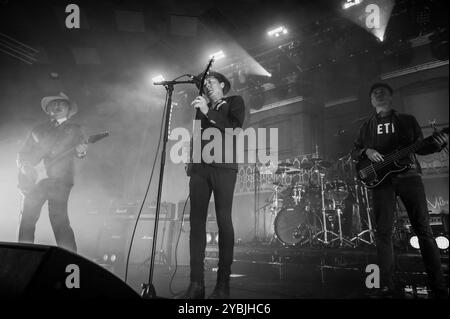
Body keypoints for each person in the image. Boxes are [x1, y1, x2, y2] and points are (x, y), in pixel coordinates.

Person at [352, 82, 448, 298]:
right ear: (371, 100)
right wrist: (367, 150)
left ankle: (438, 285)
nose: (378, 93)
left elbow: (421, 147)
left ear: (390, 97)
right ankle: (386, 284)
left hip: (409, 176)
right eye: (374, 92)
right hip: (381, 182)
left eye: (382, 91)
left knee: (423, 230)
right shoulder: (366, 126)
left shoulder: (407, 120)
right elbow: (355, 151)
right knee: (383, 232)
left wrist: (438, 143)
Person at [179, 71, 246, 299]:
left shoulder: (235, 102)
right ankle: (196, 284)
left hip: (224, 167)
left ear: (222, 84)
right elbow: (197, 136)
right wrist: (190, 157)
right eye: (204, 83)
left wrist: (210, 113)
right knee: (195, 222)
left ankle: (222, 286)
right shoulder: (201, 108)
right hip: (200, 169)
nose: (206, 86)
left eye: (211, 82)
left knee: (223, 220)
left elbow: (235, 129)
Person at [17, 92, 88, 253]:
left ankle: (70, 258)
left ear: (68, 109)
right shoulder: (38, 129)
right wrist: (25, 167)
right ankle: (23, 254)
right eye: (53, 104)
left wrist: (82, 151)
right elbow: (23, 153)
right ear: (48, 110)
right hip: (36, 180)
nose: (57, 106)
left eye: (61, 104)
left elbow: (81, 151)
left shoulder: (76, 129)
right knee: (28, 218)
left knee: (58, 219)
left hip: (61, 180)